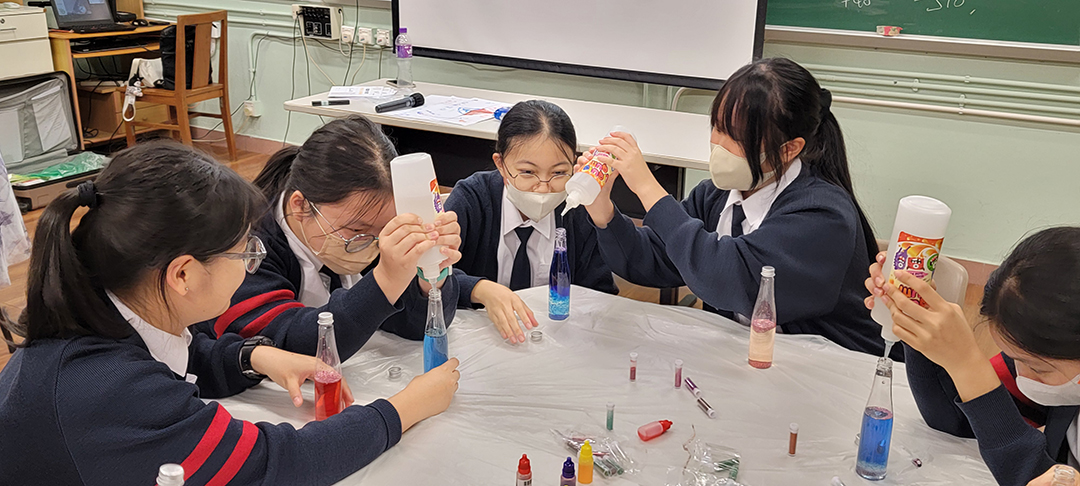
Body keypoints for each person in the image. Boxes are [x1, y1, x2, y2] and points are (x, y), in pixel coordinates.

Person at [0, 142, 461, 485]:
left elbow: (182, 354)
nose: (250, 264)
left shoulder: (105, 312)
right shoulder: (111, 390)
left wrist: (253, 357)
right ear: (183, 275)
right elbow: (276, 462)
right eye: (243, 254)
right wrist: (402, 409)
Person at [580, 58, 892, 358]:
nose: (718, 143)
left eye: (736, 136)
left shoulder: (822, 215)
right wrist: (602, 209)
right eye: (717, 126)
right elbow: (654, 259)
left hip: (832, 364)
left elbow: (729, 277)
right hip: (748, 356)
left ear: (789, 149)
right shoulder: (716, 196)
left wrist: (647, 188)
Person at [196, 115, 462, 360]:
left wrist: (431, 274)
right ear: (300, 205)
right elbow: (296, 346)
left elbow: (414, 325)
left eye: (383, 230)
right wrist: (387, 280)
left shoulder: (366, 226)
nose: (372, 243)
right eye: (356, 231)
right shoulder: (245, 250)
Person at [868, 227, 1080, 486]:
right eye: (1015, 358)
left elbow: (1033, 474)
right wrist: (921, 326)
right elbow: (957, 421)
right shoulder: (1048, 366)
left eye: (1039, 368)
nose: (1022, 375)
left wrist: (968, 365)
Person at [446, 100, 617, 343]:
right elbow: (432, 275)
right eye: (527, 172)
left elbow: (601, 295)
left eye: (559, 173)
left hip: (558, 340)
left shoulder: (580, 209)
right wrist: (479, 289)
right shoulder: (472, 199)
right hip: (480, 339)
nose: (543, 188)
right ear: (501, 164)